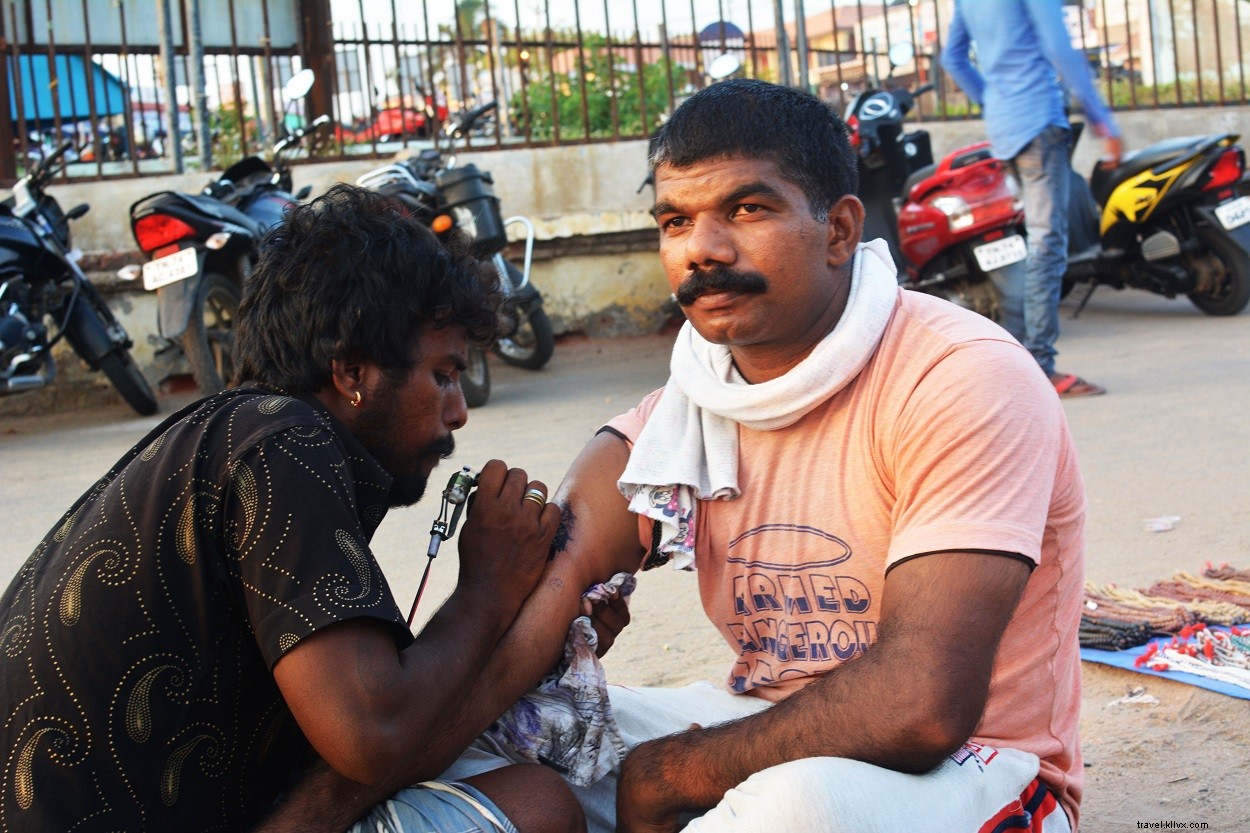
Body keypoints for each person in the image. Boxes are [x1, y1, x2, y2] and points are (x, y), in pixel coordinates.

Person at [437, 78, 1088, 833]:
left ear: (840, 230)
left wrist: (676, 772)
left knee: (791, 810)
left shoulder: (960, 375)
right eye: (675, 221)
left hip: (977, 767)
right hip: (773, 724)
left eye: (747, 209)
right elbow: (555, 568)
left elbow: (923, 703)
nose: (702, 250)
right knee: (490, 729)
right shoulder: (686, 407)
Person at [0, 184, 592, 833]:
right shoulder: (283, 442)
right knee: (538, 805)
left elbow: (362, 741)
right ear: (351, 372)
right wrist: (487, 589)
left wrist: (530, 636)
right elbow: (373, 732)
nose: (458, 411)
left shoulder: (240, 435)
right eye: (444, 374)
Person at [942, 0, 1122, 397]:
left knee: (1032, 242)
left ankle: (1015, 358)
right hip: (1039, 122)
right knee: (1046, 243)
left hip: (1006, 130)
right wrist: (1101, 119)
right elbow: (1060, 47)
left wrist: (993, 102)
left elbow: (952, 58)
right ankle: (1039, 365)